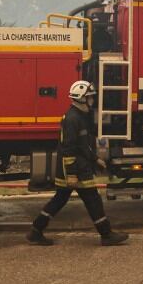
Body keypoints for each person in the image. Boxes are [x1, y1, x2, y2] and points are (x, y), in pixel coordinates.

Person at [27, 80, 129, 246]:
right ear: (82, 98)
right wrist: (72, 174)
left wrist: (95, 159)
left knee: (60, 199)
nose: (92, 101)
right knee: (92, 199)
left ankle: (36, 230)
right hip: (75, 169)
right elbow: (68, 148)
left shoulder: (78, 117)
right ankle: (106, 234)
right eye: (89, 97)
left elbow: (83, 145)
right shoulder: (73, 119)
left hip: (77, 166)